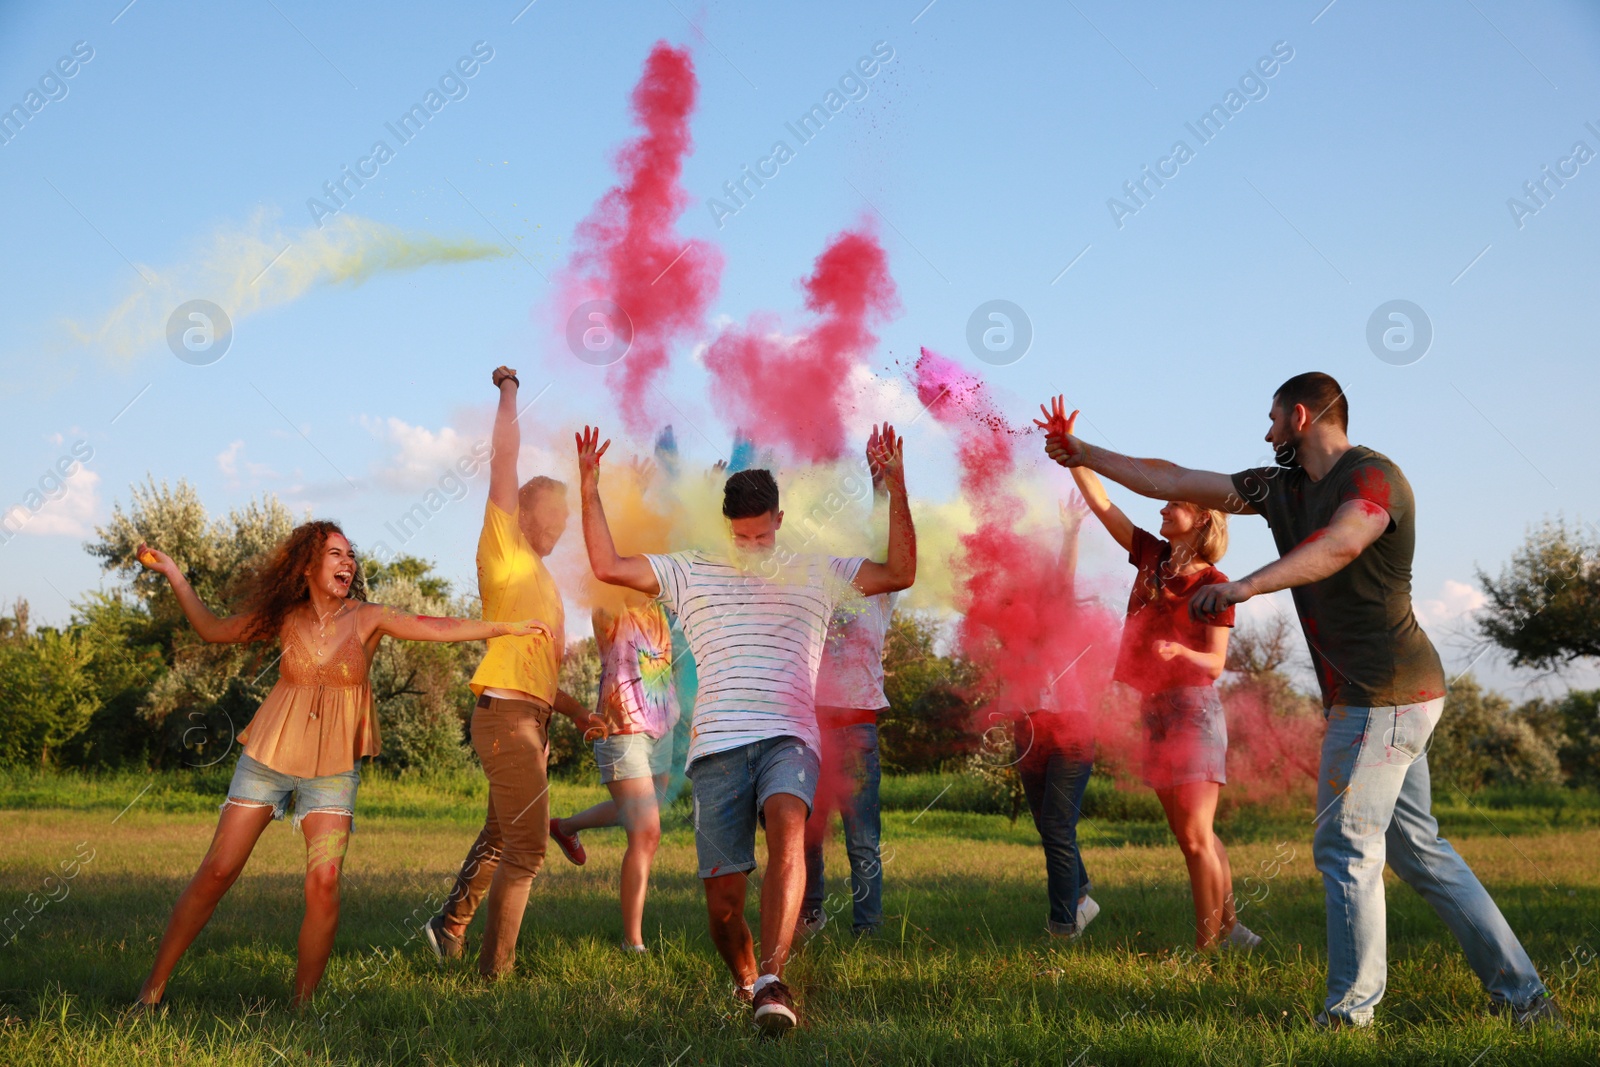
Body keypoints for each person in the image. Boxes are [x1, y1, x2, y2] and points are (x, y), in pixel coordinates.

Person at [1037, 375, 1559, 1027]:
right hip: (1384, 696)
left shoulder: (1373, 478)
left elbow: (1340, 543)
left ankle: (1348, 1014)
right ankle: (1523, 995)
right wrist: (1084, 452)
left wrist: (1248, 585)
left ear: (1302, 416)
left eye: (1273, 420)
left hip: (1383, 692)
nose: (1267, 433)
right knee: (1419, 849)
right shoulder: (1279, 488)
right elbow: (1171, 478)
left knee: (1344, 844)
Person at [575, 422, 916, 1037]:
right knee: (724, 907)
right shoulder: (690, 571)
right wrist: (589, 488)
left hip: (790, 736)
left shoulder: (818, 569)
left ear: (779, 520)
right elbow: (607, 563)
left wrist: (895, 483)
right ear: (726, 526)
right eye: (741, 536)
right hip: (716, 751)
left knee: (789, 825)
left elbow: (899, 573)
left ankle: (776, 975)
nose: (752, 544)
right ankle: (749, 980)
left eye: (761, 534)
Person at [131, 523, 549, 1009]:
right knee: (218, 870)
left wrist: (504, 628)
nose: (347, 562)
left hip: (331, 770)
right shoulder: (284, 617)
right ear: (307, 566)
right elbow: (211, 629)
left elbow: (435, 626)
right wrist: (174, 574)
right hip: (267, 759)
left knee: (324, 882)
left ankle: (302, 1008)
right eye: (335, 554)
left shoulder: (368, 618)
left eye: (351, 555)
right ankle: (151, 991)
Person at [423, 365, 605, 979]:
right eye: (550, 517)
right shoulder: (502, 545)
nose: (558, 529)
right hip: (504, 718)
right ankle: (492, 976)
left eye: (564, 522)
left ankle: (448, 927)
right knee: (527, 850)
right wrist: (507, 389)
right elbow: (504, 457)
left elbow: (543, 672)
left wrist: (579, 714)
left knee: (503, 835)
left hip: (530, 717)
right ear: (522, 510)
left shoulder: (547, 586)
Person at [1059, 428, 1256, 953]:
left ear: (1203, 518)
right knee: (1193, 835)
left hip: (1193, 710)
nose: (1163, 511)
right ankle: (1233, 930)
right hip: (1156, 711)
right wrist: (1071, 454)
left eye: (1174, 506)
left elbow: (1214, 664)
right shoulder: (1150, 556)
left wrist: (1180, 654)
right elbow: (1103, 505)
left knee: (1195, 838)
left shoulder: (1215, 583)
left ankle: (1207, 949)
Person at [798, 437, 900, 940]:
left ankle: (869, 928)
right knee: (807, 831)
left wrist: (880, 484)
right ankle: (809, 914)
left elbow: (887, 543)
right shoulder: (815, 582)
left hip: (857, 727)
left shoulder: (878, 588)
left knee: (862, 838)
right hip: (809, 726)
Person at [548, 598, 682, 952]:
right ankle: (632, 942)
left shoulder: (664, 600)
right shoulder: (612, 601)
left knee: (649, 809)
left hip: (662, 725)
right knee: (647, 832)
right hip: (622, 730)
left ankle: (565, 827)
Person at [1014, 493, 1100, 940]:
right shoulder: (1010, 615)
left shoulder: (1061, 609)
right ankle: (1082, 892)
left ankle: (1064, 925)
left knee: (1055, 825)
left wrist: (1069, 532)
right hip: (1027, 728)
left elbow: (1063, 582)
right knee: (1049, 825)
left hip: (1069, 727)